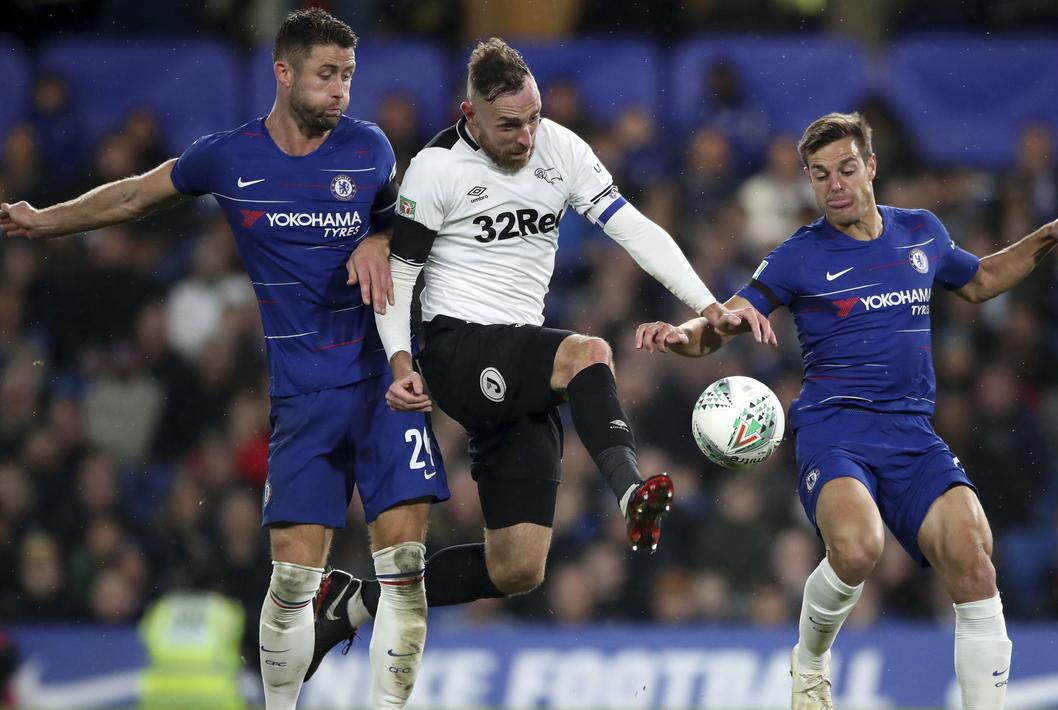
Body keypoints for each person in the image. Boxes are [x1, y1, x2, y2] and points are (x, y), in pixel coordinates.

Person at [0, 9, 449, 709]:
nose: (341, 92)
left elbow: (413, 230)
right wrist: (46, 219)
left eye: (348, 77)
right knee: (293, 586)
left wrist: (379, 239)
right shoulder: (228, 157)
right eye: (327, 76)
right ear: (283, 72)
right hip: (303, 397)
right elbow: (136, 195)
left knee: (405, 573)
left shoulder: (370, 150)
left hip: (384, 387)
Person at [304, 37, 771, 674]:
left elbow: (632, 228)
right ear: (469, 116)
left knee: (517, 567)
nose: (526, 135)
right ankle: (630, 490)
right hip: (457, 347)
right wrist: (400, 360)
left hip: (520, 363)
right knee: (588, 351)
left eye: (533, 116)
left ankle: (351, 603)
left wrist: (708, 303)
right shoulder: (437, 168)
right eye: (509, 125)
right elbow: (401, 272)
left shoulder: (560, 148)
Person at [634, 112, 1058, 710]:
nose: (836, 185)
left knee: (973, 556)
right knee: (856, 548)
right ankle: (811, 657)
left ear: (871, 167)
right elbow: (723, 322)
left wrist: (1046, 236)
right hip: (834, 430)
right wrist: (684, 335)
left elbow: (979, 281)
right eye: (820, 175)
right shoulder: (797, 257)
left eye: (847, 169)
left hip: (911, 432)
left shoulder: (922, 232)